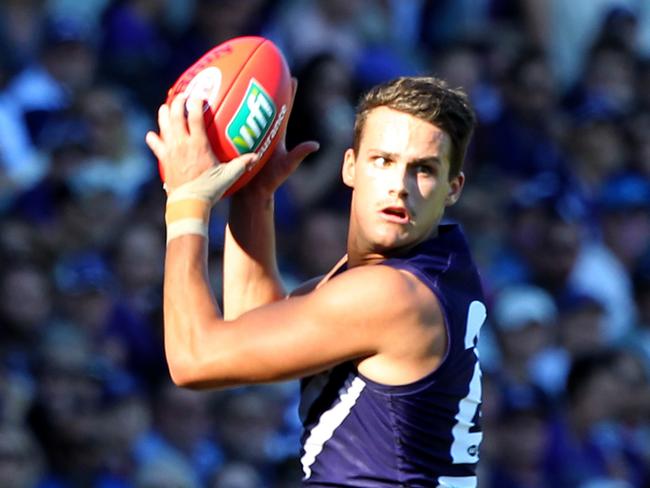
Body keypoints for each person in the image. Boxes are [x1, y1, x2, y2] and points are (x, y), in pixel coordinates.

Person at [145, 75, 486, 487]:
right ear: (349, 167)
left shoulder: (393, 295)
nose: (399, 186)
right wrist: (253, 194)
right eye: (383, 160)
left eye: (424, 170)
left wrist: (186, 201)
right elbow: (257, 325)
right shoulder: (410, 275)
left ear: (453, 189)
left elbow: (193, 360)